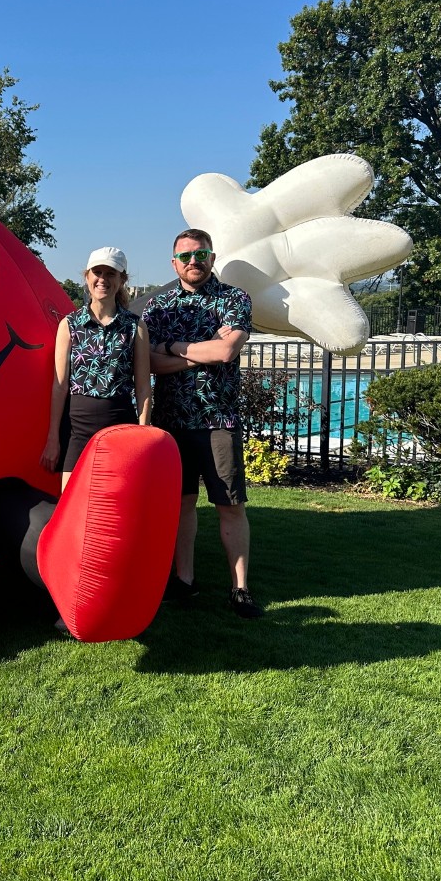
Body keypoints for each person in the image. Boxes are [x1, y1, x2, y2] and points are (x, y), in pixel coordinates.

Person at [143, 228, 263, 619]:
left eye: (201, 254)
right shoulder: (158, 309)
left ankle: (240, 588)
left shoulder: (234, 299)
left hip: (218, 420)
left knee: (230, 505)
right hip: (171, 422)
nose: (194, 261)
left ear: (213, 257)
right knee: (181, 506)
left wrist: (174, 348)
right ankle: (185, 580)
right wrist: (200, 353)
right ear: (173, 261)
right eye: (186, 256)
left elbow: (227, 351)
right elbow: (150, 364)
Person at [41, 246, 151, 490]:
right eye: (97, 272)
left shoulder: (135, 326)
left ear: (122, 279)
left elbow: (143, 388)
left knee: (114, 503)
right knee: (71, 503)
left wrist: (143, 436)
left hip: (120, 427)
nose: (103, 279)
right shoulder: (69, 324)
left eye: (111, 274)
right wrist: (53, 438)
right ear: (87, 276)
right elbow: (59, 386)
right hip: (76, 429)